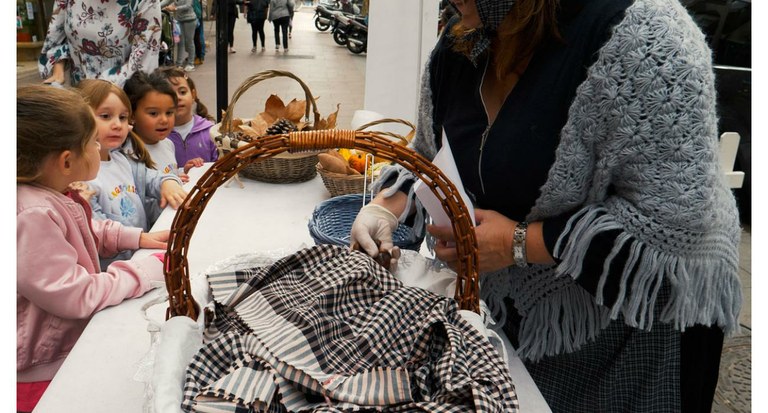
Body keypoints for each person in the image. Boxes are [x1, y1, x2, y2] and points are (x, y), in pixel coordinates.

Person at [349, 0, 743, 411]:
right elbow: (430, 151)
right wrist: (385, 205)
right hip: (508, 319)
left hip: (623, 334)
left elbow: (674, 226)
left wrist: (518, 243)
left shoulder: (649, 40)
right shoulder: (464, 36)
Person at [17, 86, 168, 412]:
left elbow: (81, 231)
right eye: (92, 143)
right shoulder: (31, 215)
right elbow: (73, 292)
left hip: (55, 354)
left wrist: (138, 238)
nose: (99, 148)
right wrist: (142, 272)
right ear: (67, 161)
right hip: (41, 373)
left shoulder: (49, 194)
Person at [76, 78, 186, 238]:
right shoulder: (81, 180)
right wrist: (141, 239)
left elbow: (154, 178)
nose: (117, 125)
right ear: (79, 119)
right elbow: (98, 233)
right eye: (106, 116)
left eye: (122, 117)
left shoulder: (122, 160)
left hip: (142, 254)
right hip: (116, 262)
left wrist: (168, 183)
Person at [38, 0, 161, 87]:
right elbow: (56, 40)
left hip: (122, 99)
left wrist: (96, 91)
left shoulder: (146, 2)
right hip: (79, 94)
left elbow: (143, 63)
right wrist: (58, 71)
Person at [155, 67, 219, 174]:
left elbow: (220, 167)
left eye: (182, 92)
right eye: (170, 94)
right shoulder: (157, 136)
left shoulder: (211, 131)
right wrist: (180, 173)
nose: (178, 98)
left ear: (193, 95)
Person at [160, 0, 199, 71]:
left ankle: (191, 63)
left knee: (189, 41)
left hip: (189, 19)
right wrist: (157, 7)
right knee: (180, 42)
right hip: (179, 20)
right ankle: (179, 64)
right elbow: (167, 1)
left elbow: (188, 5)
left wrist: (175, 8)